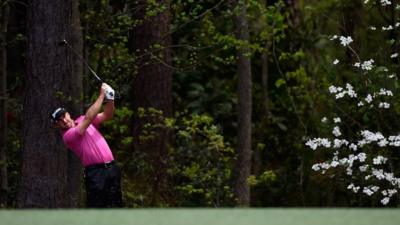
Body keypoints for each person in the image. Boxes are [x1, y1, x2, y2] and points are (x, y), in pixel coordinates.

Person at [50, 83, 122, 208]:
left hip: (111, 168)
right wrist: (101, 95)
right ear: (57, 126)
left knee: (115, 207)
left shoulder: (82, 119)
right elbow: (89, 118)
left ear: (68, 114)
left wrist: (110, 99)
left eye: (64, 116)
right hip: (96, 173)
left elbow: (107, 115)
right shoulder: (68, 136)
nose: (64, 121)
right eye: (59, 121)